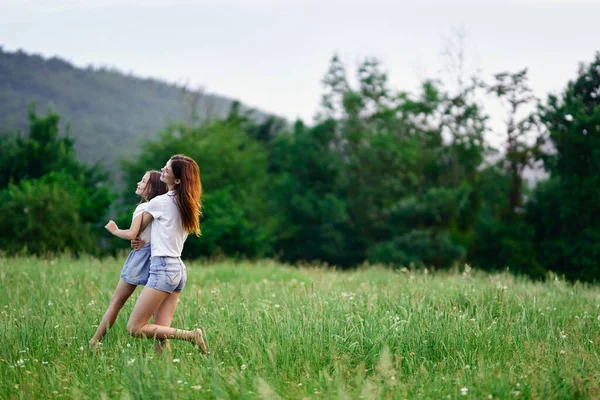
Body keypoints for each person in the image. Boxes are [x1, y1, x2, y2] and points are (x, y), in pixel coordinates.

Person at [126, 155, 207, 353]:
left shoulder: (159, 202)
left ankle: (190, 335)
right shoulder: (188, 203)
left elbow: (136, 232)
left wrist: (126, 236)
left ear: (177, 180)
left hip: (162, 268)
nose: (162, 170)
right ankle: (164, 373)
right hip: (178, 269)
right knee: (161, 333)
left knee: (135, 328)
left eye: (167, 170)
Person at [89, 170, 168, 350]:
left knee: (116, 302)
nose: (138, 183)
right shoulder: (160, 208)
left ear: (152, 187)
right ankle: (162, 352)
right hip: (156, 256)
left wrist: (115, 230)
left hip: (140, 257)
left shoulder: (143, 208)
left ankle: (95, 341)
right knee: (156, 310)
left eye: (143, 181)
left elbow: (133, 233)